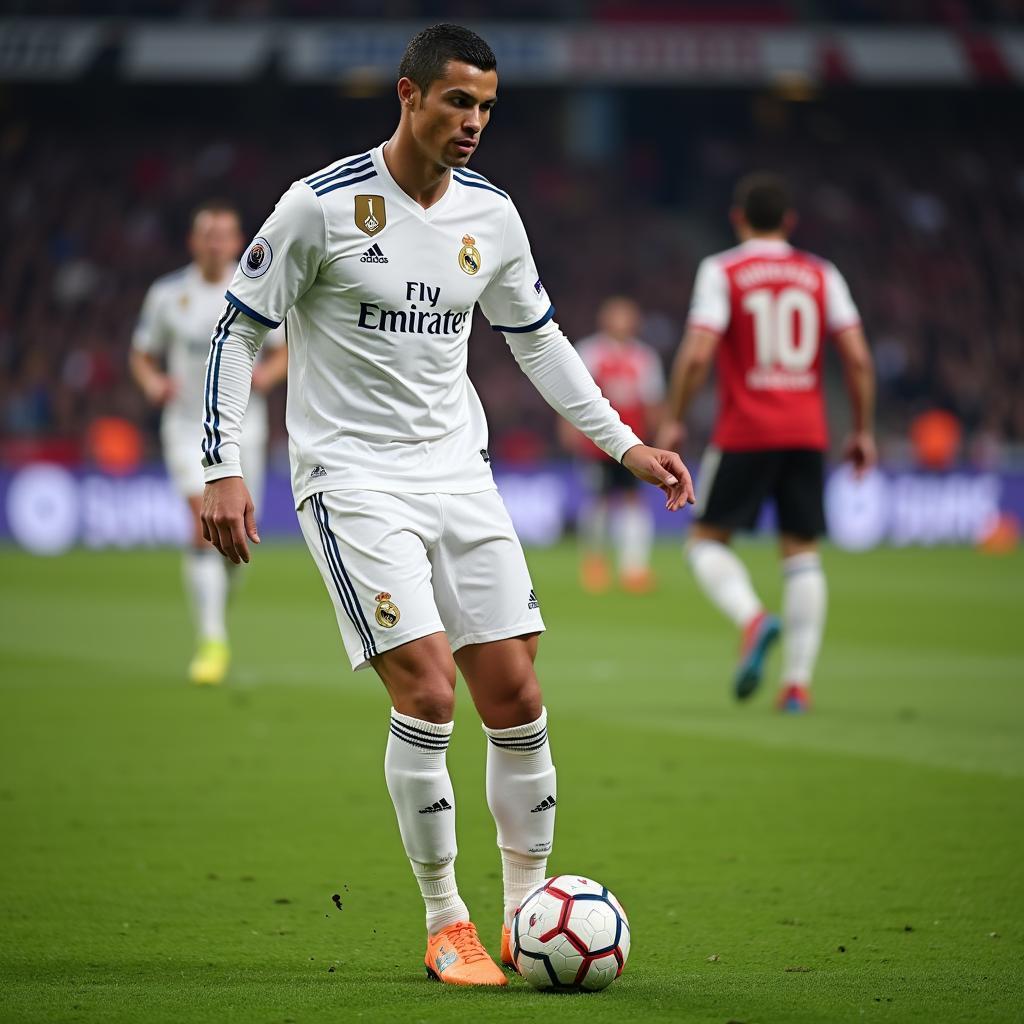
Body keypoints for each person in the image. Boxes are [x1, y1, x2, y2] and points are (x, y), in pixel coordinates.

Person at [198, 24, 694, 987]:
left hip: (459, 471)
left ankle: (525, 914)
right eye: (458, 102)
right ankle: (445, 920)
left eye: (488, 108)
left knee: (517, 698)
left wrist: (626, 444)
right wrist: (221, 466)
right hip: (351, 477)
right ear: (409, 97)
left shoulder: (494, 218)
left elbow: (539, 342)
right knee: (428, 691)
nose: (474, 123)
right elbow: (236, 330)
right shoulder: (321, 207)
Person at [658, 173, 875, 713]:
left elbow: (696, 354)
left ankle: (753, 619)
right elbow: (857, 357)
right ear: (790, 222)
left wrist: (675, 419)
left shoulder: (723, 270)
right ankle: (797, 685)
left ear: (738, 218)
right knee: (801, 555)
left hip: (747, 430)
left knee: (705, 542)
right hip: (807, 432)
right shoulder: (821, 274)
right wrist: (864, 430)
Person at [130, 200, 287, 685]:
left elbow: (285, 349)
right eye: (208, 234)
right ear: (193, 241)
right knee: (202, 518)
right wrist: (153, 384)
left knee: (233, 537)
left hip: (244, 427)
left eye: (225, 234)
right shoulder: (168, 294)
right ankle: (212, 641)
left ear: (238, 241)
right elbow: (141, 353)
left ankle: (216, 608)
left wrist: (267, 375)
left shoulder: (257, 286)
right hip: (186, 427)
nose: (217, 242)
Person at [560, 296, 665, 593]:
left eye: (627, 317)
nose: (621, 323)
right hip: (597, 443)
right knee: (598, 501)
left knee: (633, 500)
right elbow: (570, 393)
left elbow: (653, 401)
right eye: (616, 316)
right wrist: (568, 427)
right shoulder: (590, 351)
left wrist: (657, 436)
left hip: (632, 442)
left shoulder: (645, 357)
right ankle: (595, 562)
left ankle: (634, 568)